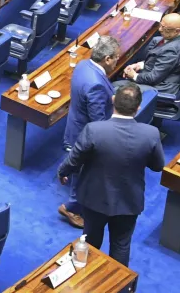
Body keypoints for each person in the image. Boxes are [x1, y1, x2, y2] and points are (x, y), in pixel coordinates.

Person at [57, 82, 164, 267]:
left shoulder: (95, 129)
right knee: (121, 246)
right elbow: (157, 166)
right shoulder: (151, 134)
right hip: (128, 201)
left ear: (113, 100)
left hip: (94, 199)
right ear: (138, 108)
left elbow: (74, 159)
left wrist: (63, 172)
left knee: (90, 241)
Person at [59, 35, 121, 229]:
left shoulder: (84, 65)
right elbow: (97, 122)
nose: (118, 60)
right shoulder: (95, 84)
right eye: (116, 57)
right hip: (84, 134)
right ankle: (71, 208)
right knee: (85, 171)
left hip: (75, 124)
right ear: (108, 58)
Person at [123, 14, 180, 96]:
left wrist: (134, 75)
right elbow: (157, 59)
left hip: (160, 87)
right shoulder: (170, 38)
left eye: (165, 28)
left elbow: (153, 78)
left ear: (177, 31)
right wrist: (139, 65)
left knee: (115, 88)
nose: (160, 29)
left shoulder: (171, 50)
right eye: (161, 25)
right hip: (156, 77)